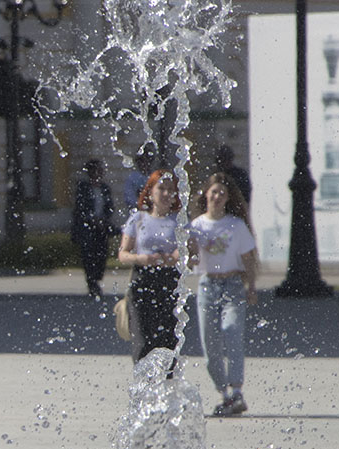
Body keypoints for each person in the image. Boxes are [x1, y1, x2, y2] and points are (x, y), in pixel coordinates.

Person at [189, 172, 259, 417]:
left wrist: (251, 287)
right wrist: (189, 255)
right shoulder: (197, 226)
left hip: (232, 284)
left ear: (228, 198)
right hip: (208, 285)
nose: (217, 196)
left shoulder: (235, 226)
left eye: (222, 193)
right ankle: (225, 393)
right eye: (214, 191)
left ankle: (237, 390)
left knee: (232, 333)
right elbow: (190, 258)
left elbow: (248, 258)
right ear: (206, 194)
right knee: (210, 344)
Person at [118, 170, 184, 363]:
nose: (165, 194)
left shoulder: (179, 221)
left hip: (169, 281)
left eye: (170, 190)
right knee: (143, 337)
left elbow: (192, 253)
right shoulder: (138, 219)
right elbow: (123, 254)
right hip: (142, 281)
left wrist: (174, 257)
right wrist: (142, 258)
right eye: (161, 188)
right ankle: (145, 384)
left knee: (168, 339)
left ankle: (167, 383)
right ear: (150, 192)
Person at [71, 159, 115, 298]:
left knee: (101, 254)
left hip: (101, 227)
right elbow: (81, 207)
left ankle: (97, 277)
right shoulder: (83, 187)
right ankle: (92, 283)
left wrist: (103, 219)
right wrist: (92, 219)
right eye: (96, 170)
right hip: (87, 228)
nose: (99, 173)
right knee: (89, 255)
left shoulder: (104, 188)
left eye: (100, 170)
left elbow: (110, 207)